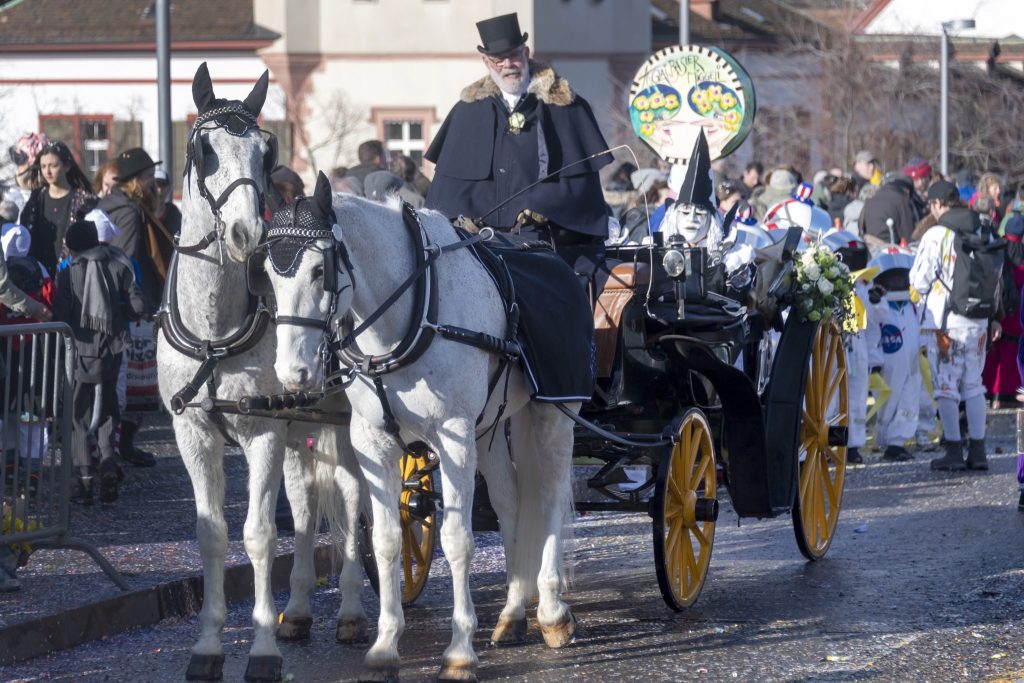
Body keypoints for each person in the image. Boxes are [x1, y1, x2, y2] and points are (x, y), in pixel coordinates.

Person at [424, 11, 611, 278]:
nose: (508, 64)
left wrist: (541, 208)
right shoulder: (467, 111)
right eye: (499, 59)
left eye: (513, 55)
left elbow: (582, 193)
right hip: (478, 247)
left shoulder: (565, 108)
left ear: (526, 53)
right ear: (486, 61)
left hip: (542, 245)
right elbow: (445, 195)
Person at [54, 219, 145, 504]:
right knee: (108, 410)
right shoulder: (119, 264)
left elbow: (62, 314)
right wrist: (121, 315)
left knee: (77, 417)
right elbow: (139, 306)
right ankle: (107, 464)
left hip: (79, 353)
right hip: (111, 350)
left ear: (72, 246)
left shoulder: (68, 274)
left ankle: (84, 480)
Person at [910, 180, 997, 471]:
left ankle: (953, 450)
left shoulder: (937, 233)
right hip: (980, 317)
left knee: (947, 387)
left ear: (937, 204)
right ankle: (979, 450)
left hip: (947, 321)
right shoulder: (982, 225)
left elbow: (920, 279)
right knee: (974, 385)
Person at [98, 148, 168, 315]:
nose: (153, 183)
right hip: (130, 304)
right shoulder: (129, 212)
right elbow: (124, 259)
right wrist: (137, 304)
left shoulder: (109, 204)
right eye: (149, 176)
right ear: (135, 180)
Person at [870, 248, 921, 461]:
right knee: (887, 400)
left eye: (901, 277)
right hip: (888, 361)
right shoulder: (879, 306)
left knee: (910, 398)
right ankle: (884, 438)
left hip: (912, 361)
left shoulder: (911, 305)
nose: (898, 281)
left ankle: (897, 442)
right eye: (893, 278)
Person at [19, 141, 98, 275]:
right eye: (43, 166)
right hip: (41, 275)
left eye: (53, 166)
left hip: (75, 273)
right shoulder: (36, 200)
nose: (47, 171)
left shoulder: (85, 201)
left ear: (67, 166)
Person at [859, 175, 915, 248]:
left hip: (869, 245)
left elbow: (861, 225)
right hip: (890, 248)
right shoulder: (901, 200)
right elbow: (908, 234)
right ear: (906, 190)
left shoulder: (872, 198)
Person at [5, 132, 49, 213]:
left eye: (22, 160)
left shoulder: (48, 198)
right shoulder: (9, 196)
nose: (18, 170)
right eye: (18, 161)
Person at [153, 168, 182, 237]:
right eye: (157, 185)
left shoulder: (174, 213)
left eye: (163, 185)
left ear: (169, 189)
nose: (160, 190)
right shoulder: (142, 213)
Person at [903, 157, 932, 223]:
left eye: (924, 177)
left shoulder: (934, 193)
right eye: (916, 179)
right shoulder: (908, 198)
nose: (921, 182)